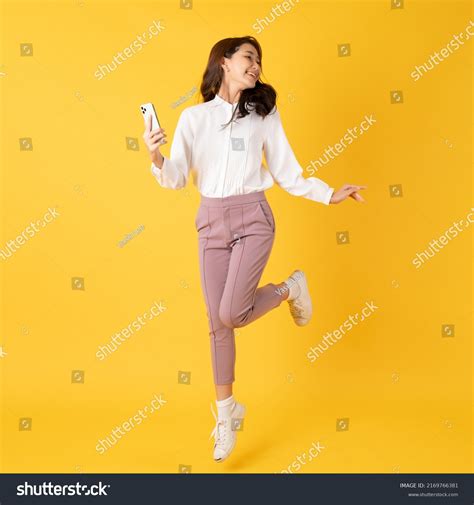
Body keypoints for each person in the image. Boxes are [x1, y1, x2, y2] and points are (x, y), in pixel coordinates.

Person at [143, 36, 366, 463]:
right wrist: (155, 155)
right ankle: (226, 417)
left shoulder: (263, 114)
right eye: (249, 57)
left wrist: (328, 193)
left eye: (260, 59)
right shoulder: (194, 119)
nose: (257, 64)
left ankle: (289, 289)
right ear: (224, 62)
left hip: (253, 220)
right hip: (211, 221)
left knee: (231, 312)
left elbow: (286, 169)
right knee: (217, 323)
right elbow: (175, 178)